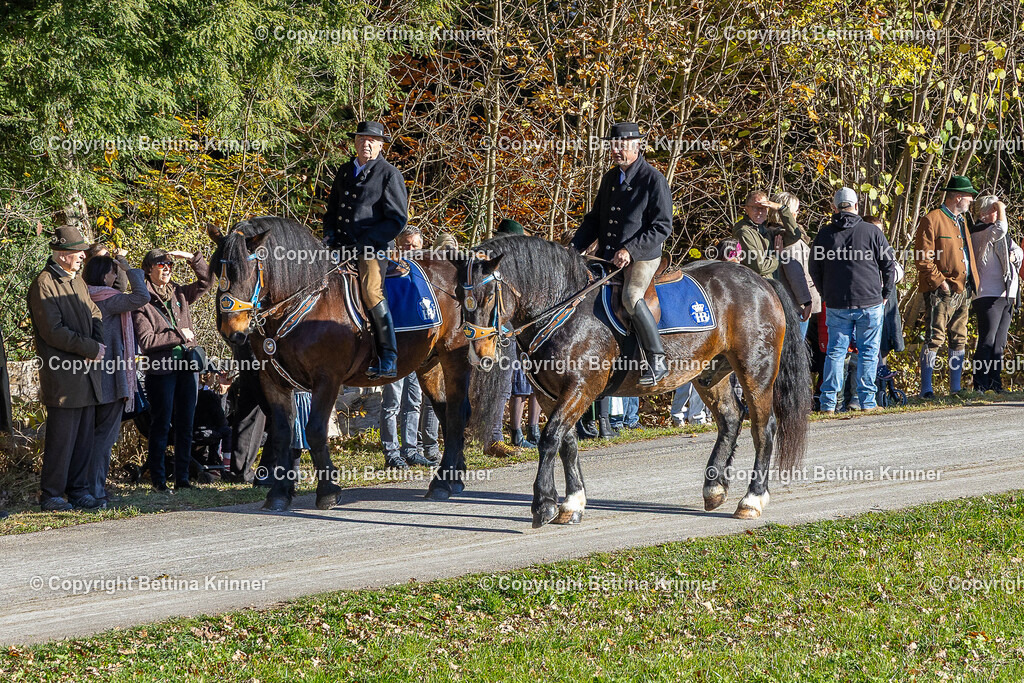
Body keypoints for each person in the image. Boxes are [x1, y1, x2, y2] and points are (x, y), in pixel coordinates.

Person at [570, 122, 673, 385]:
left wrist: (630, 250)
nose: (617, 150)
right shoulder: (609, 178)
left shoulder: (653, 179)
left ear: (638, 145)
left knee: (631, 296)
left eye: (623, 145)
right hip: (607, 254)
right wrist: (573, 249)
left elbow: (663, 226)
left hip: (643, 255)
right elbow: (594, 219)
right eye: (613, 145)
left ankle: (657, 359)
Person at [28, 226, 106, 511]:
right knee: (62, 440)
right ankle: (52, 494)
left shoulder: (76, 281)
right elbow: (53, 331)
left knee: (84, 437)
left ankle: (79, 490)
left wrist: (96, 345)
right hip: (63, 376)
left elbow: (95, 313)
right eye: (78, 252)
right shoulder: (44, 283)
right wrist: (89, 348)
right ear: (62, 255)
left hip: (86, 374)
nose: (83, 256)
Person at [323, 120, 408, 380]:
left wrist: (366, 242)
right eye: (361, 139)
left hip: (373, 248)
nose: (365, 143)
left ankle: (388, 356)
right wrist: (329, 235)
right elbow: (332, 209)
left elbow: (397, 219)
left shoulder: (389, 174)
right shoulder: (345, 170)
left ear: (381, 145)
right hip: (340, 245)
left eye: (371, 140)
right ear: (355, 142)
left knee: (371, 291)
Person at [809, 188, 896, 413]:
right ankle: (867, 401)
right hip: (870, 299)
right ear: (857, 206)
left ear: (834, 207)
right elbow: (888, 264)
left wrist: (825, 293)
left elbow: (814, 268)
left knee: (835, 353)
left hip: (837, 302)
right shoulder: (871, 231)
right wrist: (885, 293)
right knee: (868, 351)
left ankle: (828, 403)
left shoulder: (825, 234)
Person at [133, 248, 213, 491]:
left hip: (187, 369)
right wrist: (179, 335)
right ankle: (158, 480)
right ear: (148, 268)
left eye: (169, 264)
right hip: (161, 371)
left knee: (185, 424)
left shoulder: (179, 292)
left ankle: (183, 479)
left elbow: (207, 281)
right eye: (161, 265)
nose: (167, 268)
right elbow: (146, 342)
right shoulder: (141, 300)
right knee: (161, 424)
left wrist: (192, 258)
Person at [83, 253, 150, 507]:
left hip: (89, 377)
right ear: (104, 275)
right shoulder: (108, 301)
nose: (116, 276)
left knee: (89, 436)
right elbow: (142, 296)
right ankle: (96, 489)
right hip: (111, 378)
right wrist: (130, 268)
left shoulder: (84, 296)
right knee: (105, 437)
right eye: (113, 272)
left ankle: (85, 486)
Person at [914, 175, 980, 398]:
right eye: (969, 197)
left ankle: (955, 388)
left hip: (964, 289)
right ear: (958, 197)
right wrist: (940, 282)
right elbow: (923, 258)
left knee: (959, 337)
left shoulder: (961, 221)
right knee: (935, 337)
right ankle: (926, 389)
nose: (971, 202)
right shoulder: (932, 219)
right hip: (941, 291)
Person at [970, 196, 1021, 392]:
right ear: (983, 214)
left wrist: (1014, 255)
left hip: (1007, 294)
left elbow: (1017, 251)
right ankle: (980, 384)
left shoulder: (999, 235)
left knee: (999, 343)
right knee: (987, 340)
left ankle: (995, 383)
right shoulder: (980, 232)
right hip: (988, 294)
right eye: (994, 209)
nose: (999, 213)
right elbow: (1002, 229)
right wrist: (1001, 206)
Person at [768, 192, 819, 338]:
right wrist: (806, 302)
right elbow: (796, 274)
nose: (797, 214)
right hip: (796, 305)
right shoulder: (789, 239)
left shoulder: (769, 234)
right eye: (795, 210)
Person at [732, 190, 779, 277]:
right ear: (746, 209)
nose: (759, 212)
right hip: (757, 287)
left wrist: (781, 208)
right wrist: (777, 256)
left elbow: (794, 235)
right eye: (755, 208)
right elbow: (759, 268)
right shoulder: (743, 232)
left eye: (763, 208)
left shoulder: (766, 229)